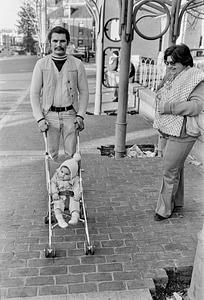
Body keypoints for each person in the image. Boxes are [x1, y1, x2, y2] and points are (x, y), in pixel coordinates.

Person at [153, 43, 204, 221]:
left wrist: (169, 107)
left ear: (185, 62)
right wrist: (165, 79)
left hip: (183, 131)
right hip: (170, 129)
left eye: (174, 62)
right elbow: (160, 92)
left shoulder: (196, 78)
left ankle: (164, 209)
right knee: (176, 167)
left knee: (169, 169)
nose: (170, 66)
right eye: (167, 63)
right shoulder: (173, 77)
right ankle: (177, 202)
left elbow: (197, 106)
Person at [30, 26, 89, 161]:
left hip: (71, 115)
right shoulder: (41, 64)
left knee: (72, 156)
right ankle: (54, 182)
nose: (58, 44)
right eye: (55, 41)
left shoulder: (77, 64)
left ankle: (71, 182)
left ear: (67, 42)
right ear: (50, 42)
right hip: (49, 116)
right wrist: (39, 119)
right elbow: (34, 94)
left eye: (62, 41)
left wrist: (81, 116)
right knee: (51, 155)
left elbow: (84, 92)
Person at [51, 153, 81, 228]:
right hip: (60, 195)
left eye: (67, 174)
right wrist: (54, 193)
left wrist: (77, 194)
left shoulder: (75, 179)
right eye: (62, 172)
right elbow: (53, 184)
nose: (63, 175)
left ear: (72, 175)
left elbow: (77, 187)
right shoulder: (56, 177)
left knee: (75, 203)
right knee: (57, 204)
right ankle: (60, 219)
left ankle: (74, 217)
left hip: (71, 196)